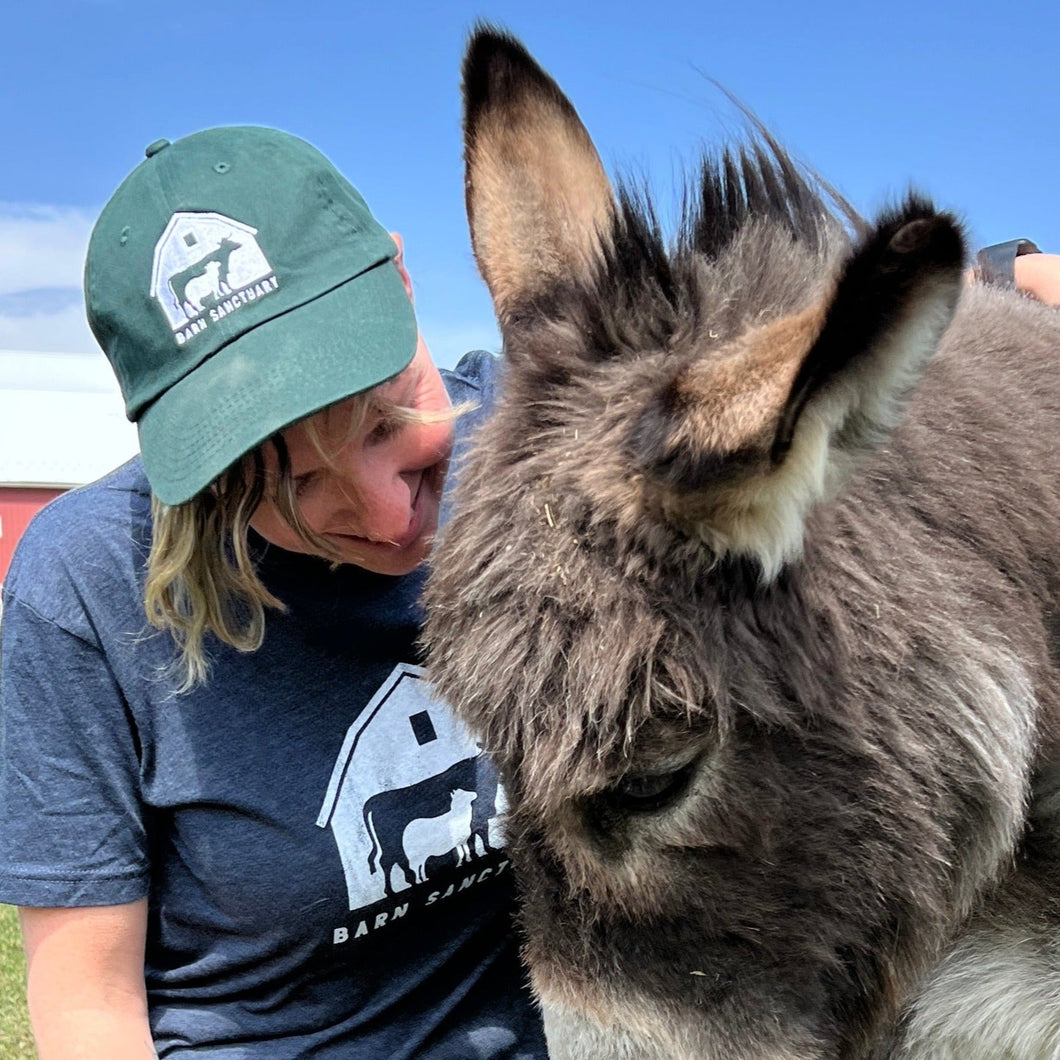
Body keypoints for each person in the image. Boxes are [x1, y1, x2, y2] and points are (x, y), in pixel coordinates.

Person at [0, 126, 547, 1059]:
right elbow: (89, 1012)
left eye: (387, 418)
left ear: (403, 281)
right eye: (283, 482)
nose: (385, 518)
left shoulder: (547, 454)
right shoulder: (86, 593)